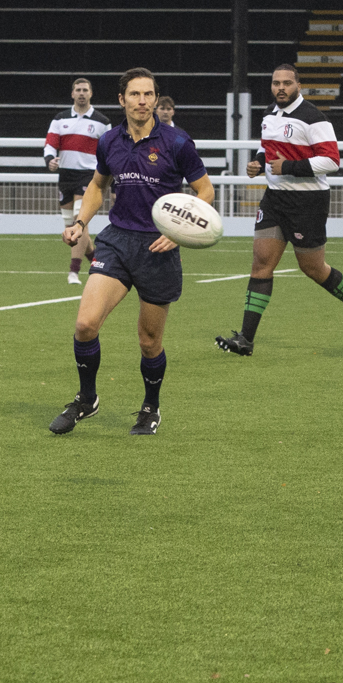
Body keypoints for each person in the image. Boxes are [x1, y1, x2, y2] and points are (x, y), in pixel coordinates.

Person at [49, 68, 214, 437]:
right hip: (117, 241)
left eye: (149, 94)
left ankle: (150, 406)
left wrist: (179, 232)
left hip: (158, 248)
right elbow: (97, 185)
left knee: (149, 342)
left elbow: (205, 191)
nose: (143, 101)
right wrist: (80, 222)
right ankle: (87, 399)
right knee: (85, 325)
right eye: (135, 94)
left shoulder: (177, 142)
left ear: (155, 98)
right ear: (122, 100)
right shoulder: (109, 141)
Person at [215, 63, 343, 357]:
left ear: (298, 86)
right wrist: (258, 162)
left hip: (307, 202)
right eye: (276, 83)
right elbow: (268, 148)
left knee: (313, 268)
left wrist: (288, 166)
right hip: (274, 199)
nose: (280, 88)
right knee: (261, 264)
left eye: (286, 83)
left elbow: (332, 161)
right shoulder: (268, 113)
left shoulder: (314, 118)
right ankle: (246, 340)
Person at [45, 77, 111, 285]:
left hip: (89, 177)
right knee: (70, 229)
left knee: (79, 221)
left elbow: (110, 151)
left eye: (85, 90)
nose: (82, 93)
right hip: (66, 176)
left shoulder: (102, 122)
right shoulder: (60, 119)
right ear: (72, 94)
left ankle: (73, 271)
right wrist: (49, 160)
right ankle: (97, 261)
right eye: (78, 90)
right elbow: (50, 144)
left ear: (91, 94)